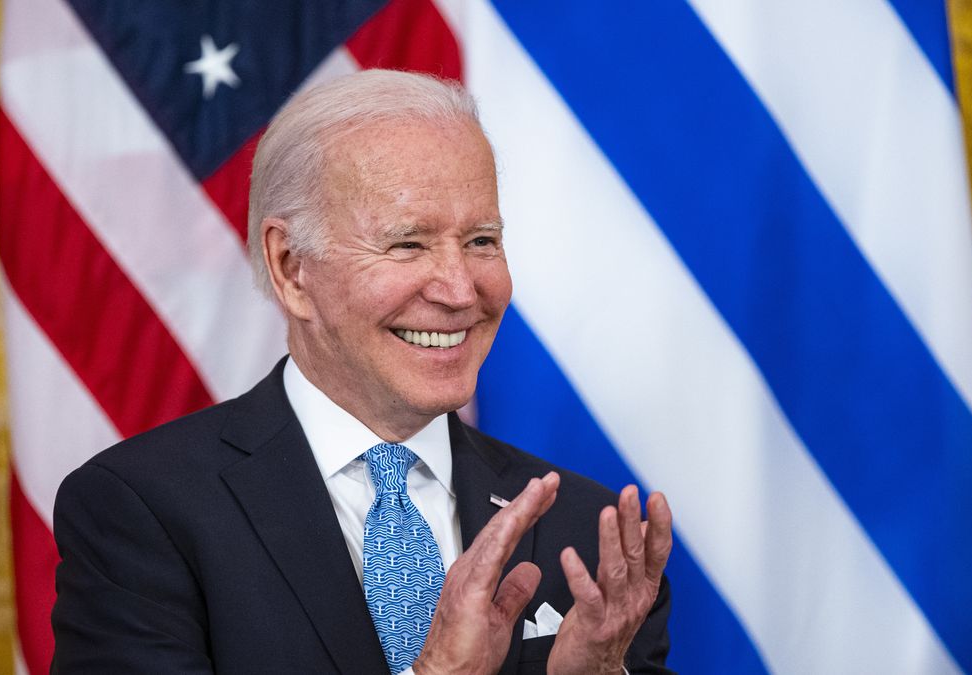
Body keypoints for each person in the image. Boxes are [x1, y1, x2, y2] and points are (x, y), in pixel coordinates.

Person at [50, 69, 673, 675]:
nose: (461, 290)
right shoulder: (143, 511)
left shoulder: (591, 535)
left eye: (482, 241)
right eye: (409, 244)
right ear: (292, 268)